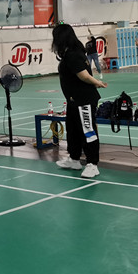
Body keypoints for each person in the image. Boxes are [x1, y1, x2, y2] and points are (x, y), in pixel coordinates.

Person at [51, 25, 108, 178]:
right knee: (73, 130)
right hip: (73, 100)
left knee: (88, 131)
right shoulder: (70, 53)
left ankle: (92, 164)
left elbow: (84, 75)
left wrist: (97, 82)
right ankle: (74, 159)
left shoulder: (73, 54)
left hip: (84, 100)